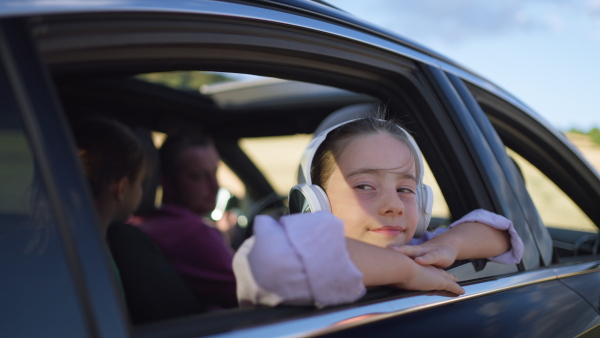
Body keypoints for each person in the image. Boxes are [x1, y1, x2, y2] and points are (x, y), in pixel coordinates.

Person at [233, 113, 523, 307]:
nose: (394, 205)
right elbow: (265, 262)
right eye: (364, 186)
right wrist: (404, 272)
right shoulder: (303, 257)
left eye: (405, 190)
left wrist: (450, 244)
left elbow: (500, 233)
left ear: (422, 205)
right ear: (313, 204)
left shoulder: (419, 249)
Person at [74, 118, 203, 323]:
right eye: (141, 183)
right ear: (121, 189)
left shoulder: (71, 243)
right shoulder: (105, 252)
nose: (144, 192)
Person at [138, 132, 238, 310]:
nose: (214, 185)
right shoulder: (191, 232)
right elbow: (251, 290)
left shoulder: (145, 224)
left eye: (215, 172)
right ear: (167, 183)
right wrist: (220, 241)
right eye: (198, 176)